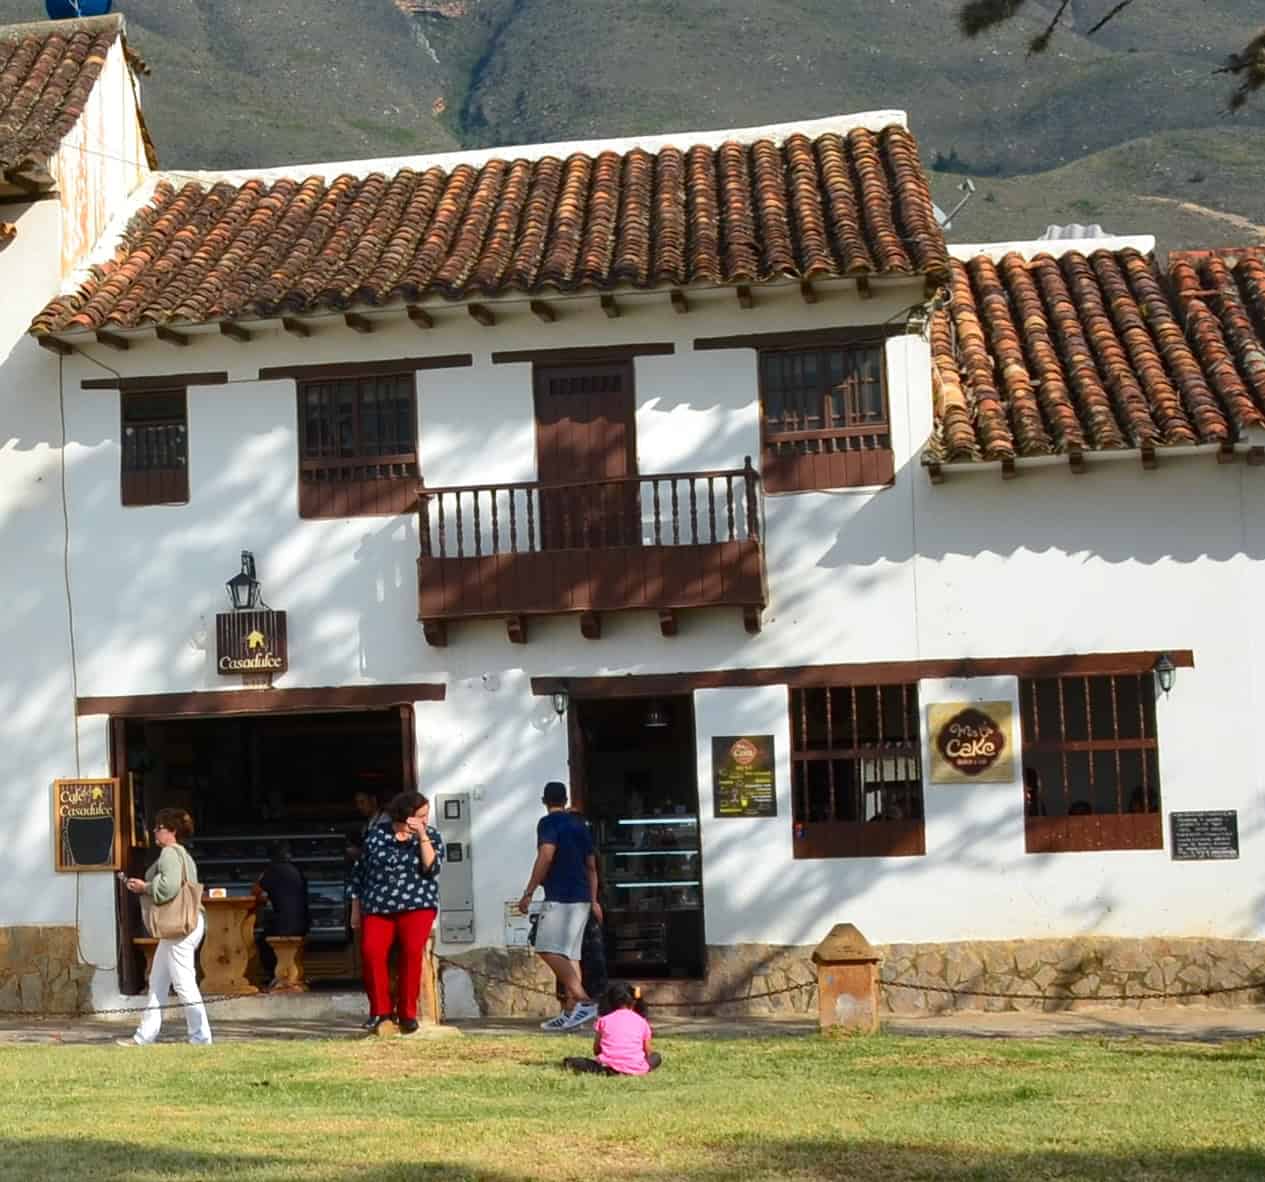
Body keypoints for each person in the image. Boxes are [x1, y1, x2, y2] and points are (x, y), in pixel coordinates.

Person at [349, 790, 444, 1036]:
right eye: (420, 815)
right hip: (378, 905)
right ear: (406, 815)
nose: (425, 819)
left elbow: (432, 868)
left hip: (417, 905)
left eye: (426, 815)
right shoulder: (375, 837)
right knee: (371, 951)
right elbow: (359, 874)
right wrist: (355, 910)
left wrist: (422, 835)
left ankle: (407, 1013)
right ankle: (379, 1010)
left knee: (411, 954)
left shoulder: (431, 836)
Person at [117, 808, 212, 1046]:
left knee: (183, 982)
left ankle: (200, 1037)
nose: (155, 832)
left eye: (158, 828)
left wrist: (145, 887)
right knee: (158, 981)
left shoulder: (169, 853)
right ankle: (144, 1036)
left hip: (178, 926)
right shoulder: (183, 855)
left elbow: (167, 888)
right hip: (187, 922)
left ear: (171, 831)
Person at [518, 781, 600, 1031]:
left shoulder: (548, 824)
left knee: (545, 947)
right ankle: (570, 1013)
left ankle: (584, 1001)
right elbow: (591, 866)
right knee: (570, 954)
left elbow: (546, 855)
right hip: (583, 896)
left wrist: (529, 891)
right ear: (564, 799)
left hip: (560, 896)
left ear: (545, 800)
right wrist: (594, 899)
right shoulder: (579, 824)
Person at [563, 982, 661, 1076]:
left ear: (609, 1001)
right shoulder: (642, 1021)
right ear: (634, 1001)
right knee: (656, 1057)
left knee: (577, 1062)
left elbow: (596, 1050)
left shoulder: (604, 1020)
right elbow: (648, 1052)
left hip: (607, 1067)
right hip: (636, 1067)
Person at [251, 841, 309, 986]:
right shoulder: (296, 870)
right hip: (303, 924)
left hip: (285, 925)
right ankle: (292, 974)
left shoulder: (273, 870)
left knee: (262, 941)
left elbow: (255, 892)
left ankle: (277, 976)